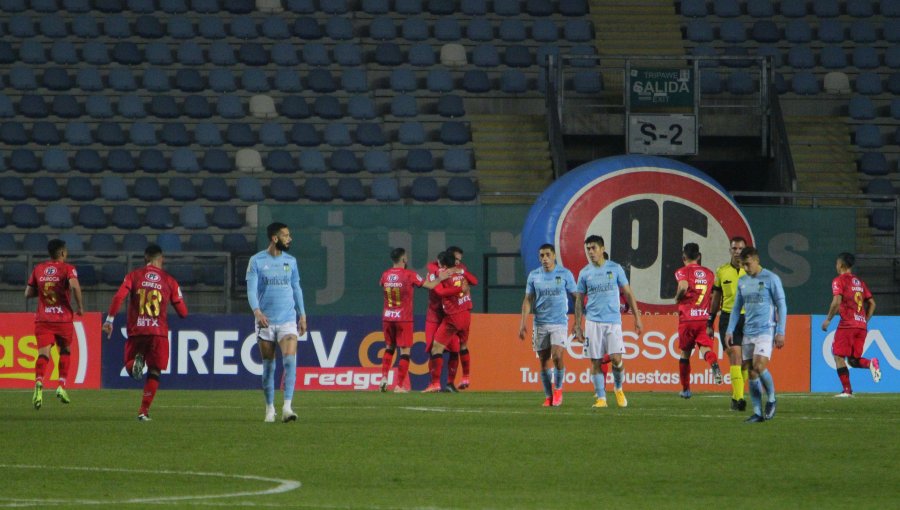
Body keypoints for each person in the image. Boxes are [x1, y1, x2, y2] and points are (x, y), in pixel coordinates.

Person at [102, 244, 187, 421]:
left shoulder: (133, 276)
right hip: (158, 332)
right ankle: (143, 411)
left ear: (145, 259)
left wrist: (109, 320)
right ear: (160, 259)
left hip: (137, 330)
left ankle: (136, 363)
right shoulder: (169, 280)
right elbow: (183, 313)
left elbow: (118, 297)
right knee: (155, 371)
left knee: (131, 368)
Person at [247, 222, 307, 423]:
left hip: (288, 320)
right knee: (269, 367)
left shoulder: (291, 261)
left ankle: (287, 408)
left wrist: (303, 315)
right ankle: (269, 408)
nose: (290, 239)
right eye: (286, 236)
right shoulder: (256, 261)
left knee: (290, 361)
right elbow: (251, 290)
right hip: (266, 321)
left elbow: (296, 288)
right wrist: (257, 312)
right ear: (275, 238)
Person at [573, 235, 643, 408]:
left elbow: (627, 293)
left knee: (616, 359)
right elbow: (579, 300)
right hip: (593, 322)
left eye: (594, 248)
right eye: (588, 248)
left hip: (613, 321)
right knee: (595, 361)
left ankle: (618, 388)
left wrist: (637, 317)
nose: (590, 252)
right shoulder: (585, 273)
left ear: (602, 249)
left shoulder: (615, 268)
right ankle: (601, 398)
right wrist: (577, 325)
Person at [726, 247, 787, 423]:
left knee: (758, 367)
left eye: (747, 264)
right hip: (748, 332)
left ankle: (772, 399)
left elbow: (781, 306)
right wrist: (730, 330)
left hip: (766, 330)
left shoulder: (771, 278)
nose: (745, 268)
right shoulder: (743, 281)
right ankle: (758, 413)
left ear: (756, 260)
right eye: (742, 264)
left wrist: (781, 331)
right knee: (751, 372)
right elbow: (736, 308)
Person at [379, 247, 451, 393]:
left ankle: (384, 378)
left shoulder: (385, 275)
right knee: (405, 352)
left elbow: (382, 285)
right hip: (403, 318)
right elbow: (430, 285)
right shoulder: (409, 275)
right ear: (404, 259)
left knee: (389, 348)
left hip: (387, 317)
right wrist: (440, 278)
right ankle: (399, 385)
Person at [25, 239, 84, 409]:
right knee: (65, 350)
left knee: (43, 354)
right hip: (63, 319)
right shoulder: (68, 269)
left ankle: (38, 382)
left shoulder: (39, 269)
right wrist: (80, 307)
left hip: (43, 319)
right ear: (63, 253)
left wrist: (44, 291)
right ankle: (61, 385)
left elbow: (27, 293)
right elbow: (74, 286)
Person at [518, 244, 577, 407]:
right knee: (543, 361)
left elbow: (576, 296)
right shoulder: (534, 276)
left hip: (559, 322)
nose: (545, 258)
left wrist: (578, 320)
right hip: (540, 324)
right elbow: (528, 299)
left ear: (554, 256)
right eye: (542, 255)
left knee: (557, 356)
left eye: (547, 255)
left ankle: (558, 390)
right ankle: (548, 396)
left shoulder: (565, 274)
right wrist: (523, 322)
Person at [820, 252, 881, 396]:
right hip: (861, 326)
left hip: (847, 324)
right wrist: (864, 320)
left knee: (838, 356)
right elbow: (872, 303)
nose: (836, 266)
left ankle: (847, 391)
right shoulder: (860, 283)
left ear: (841, 265)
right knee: (853, 361)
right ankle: (871, 363)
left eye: (836, 263)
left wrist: (828, 319)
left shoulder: (839, 280)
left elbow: (836, 302)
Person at [674, 243, 723, 399]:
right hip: (704, 317)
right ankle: (713, 364)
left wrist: (677, 298)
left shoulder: (682, 271)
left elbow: (683, 286)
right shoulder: (709, 274)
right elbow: (715, 294)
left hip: (688, 318)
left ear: (683, 257)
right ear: (699, 256)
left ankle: (686, 389)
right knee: (706, 349)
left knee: (685, 354)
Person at [423, 251, 473, 393]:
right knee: (459, 346)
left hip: (451, 316)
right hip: (458, 315)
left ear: (443, 263)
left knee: (438, 349)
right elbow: (473, 281)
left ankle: (439, 383)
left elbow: (440, 292)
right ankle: (465, 377)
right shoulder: (457, 273)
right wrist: (461, 286)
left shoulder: (445, 274)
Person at [708, 236, 749, 411]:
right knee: (735, 355)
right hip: (728, 318)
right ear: (730, 250)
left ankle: (735, 396)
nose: (737, 252)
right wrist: (710, 321)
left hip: (749, 318)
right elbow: (716, 297)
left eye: (740, 249)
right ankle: (740, 399)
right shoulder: (722, 271)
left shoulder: (753, 271)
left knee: (746, 362)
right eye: (734, 248)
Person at [445, 246, 477, 390]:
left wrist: (462, 271)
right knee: (449, 349)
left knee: (462, 346)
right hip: (450, 314)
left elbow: (474, 281)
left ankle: (465, 377)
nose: (458, 262)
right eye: (456, 259)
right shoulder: (443, 271)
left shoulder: (461, 269)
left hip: (463, 311)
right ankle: (448, 382)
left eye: (460, 259)